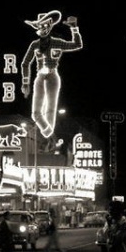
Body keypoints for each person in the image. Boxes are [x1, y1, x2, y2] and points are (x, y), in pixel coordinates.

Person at [19, 10, 82, 154]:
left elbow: (77, 45)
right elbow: (25, 63)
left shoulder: (56, 42)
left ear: (49, 26)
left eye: (44, 26)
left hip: (53, 76)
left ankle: (48, 140)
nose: (42, 29)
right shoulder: (35, 45)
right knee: (36, 113)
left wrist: (74, 28)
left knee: (51, 111)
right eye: (39, 27)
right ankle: (49, 136)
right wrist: (25, 83)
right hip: (40, 77)